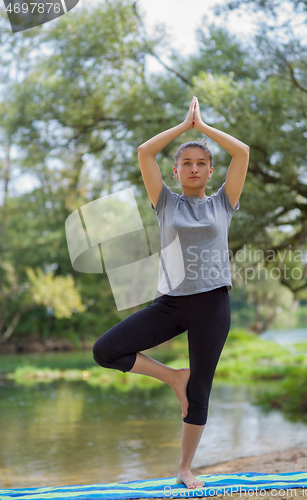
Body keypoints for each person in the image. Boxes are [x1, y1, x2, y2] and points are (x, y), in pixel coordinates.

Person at [93, 96, 250, 489]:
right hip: (169, 304)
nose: (194, 168)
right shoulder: (164, 203)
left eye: (201, 163)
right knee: (105, 350)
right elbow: (145, 151)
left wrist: (204, 128)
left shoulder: (224, 204)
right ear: (176, 172)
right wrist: (185, 126)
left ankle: (184, 468)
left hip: (212, 304)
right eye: (186, 163)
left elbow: (243, 152)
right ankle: (172, 378)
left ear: (211, 171)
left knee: (201, 392)